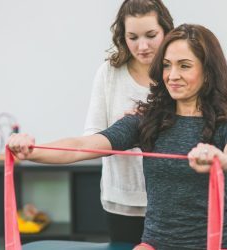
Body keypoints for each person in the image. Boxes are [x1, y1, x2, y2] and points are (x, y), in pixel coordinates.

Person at [8, 24, 227, 250]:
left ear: (208, 73)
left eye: (184, 65)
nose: (172, 75)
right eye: (167, 65)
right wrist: (31, 150)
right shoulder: (147, 120)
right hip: (155, 245)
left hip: (216, 244)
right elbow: (85, 145)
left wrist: (220, 160)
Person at [83, 0, 173, 244]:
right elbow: (93, 135)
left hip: (172, 202)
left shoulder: (175, 72)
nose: (142, 46)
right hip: (122, 201)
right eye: (132, 37)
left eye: (151, 35)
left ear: (166, 30)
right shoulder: (109, 73)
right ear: (122, 36)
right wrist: (122, 132)